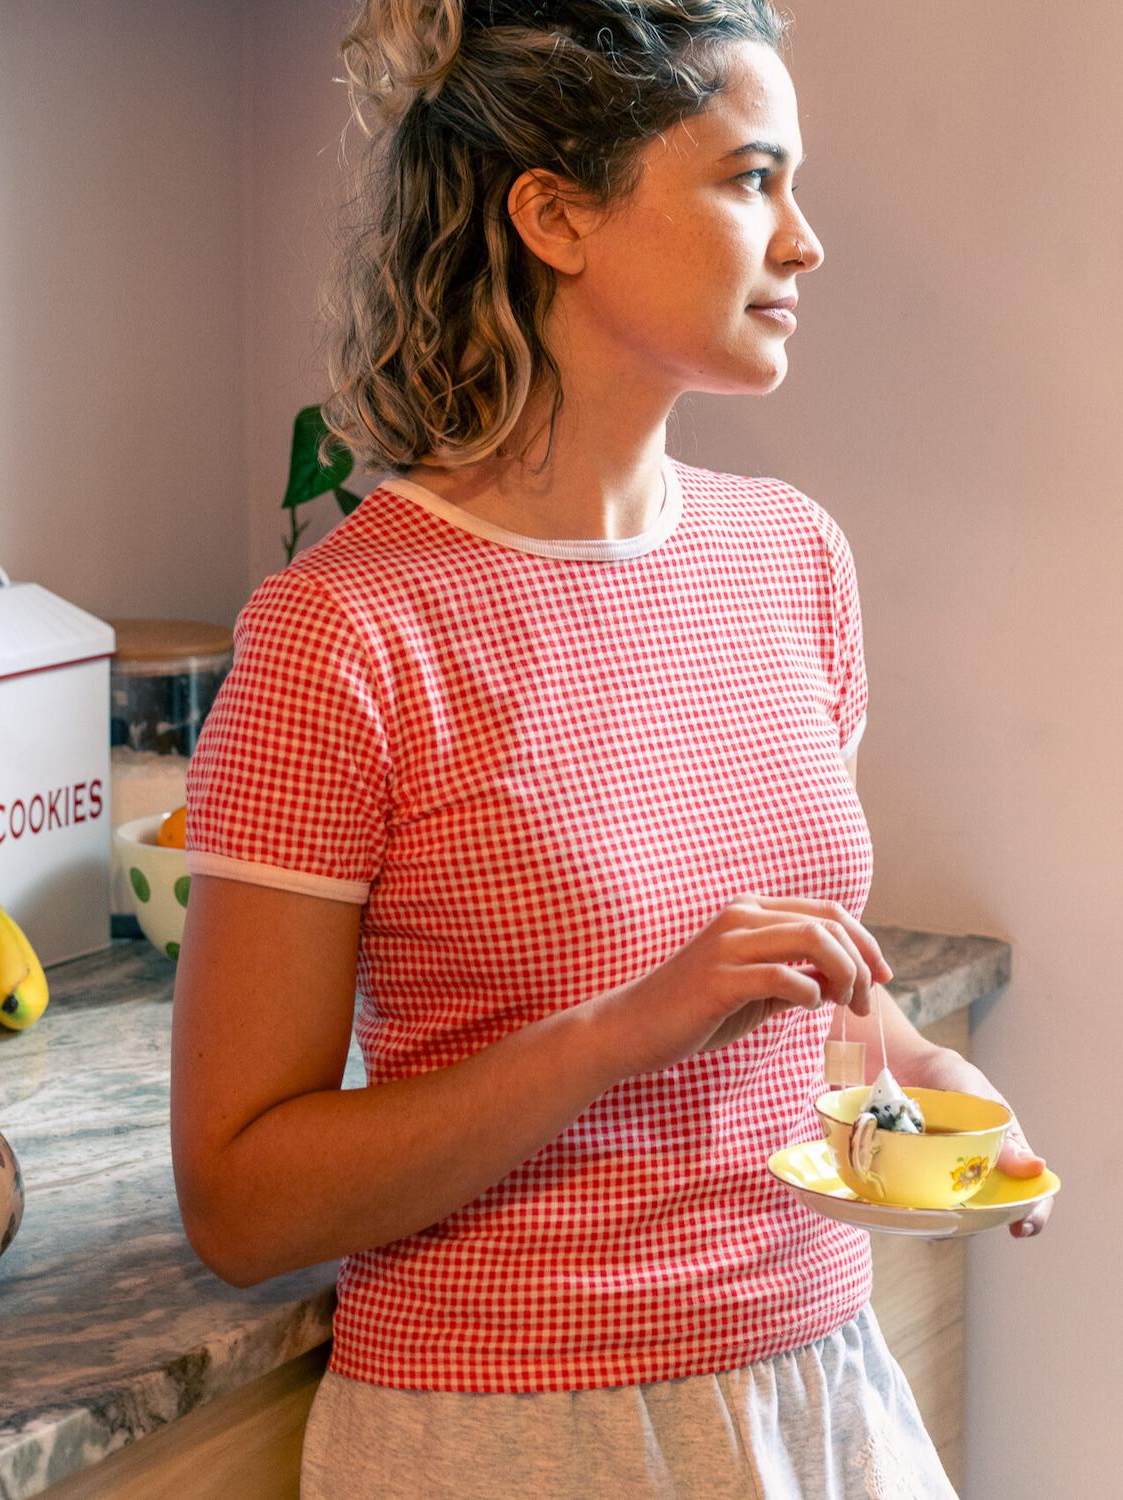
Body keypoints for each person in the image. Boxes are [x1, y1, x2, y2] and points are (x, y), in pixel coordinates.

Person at [170, 3, 1052, 1496]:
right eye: (749, 178)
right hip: (518, 1434)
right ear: (557, 215)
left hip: (819, 1387)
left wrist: (923, 1090)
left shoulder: (792, 560)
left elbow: (789, 1008)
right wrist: (616, 1032)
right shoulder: (345, 636)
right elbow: (242, 1200)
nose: (804, 241)